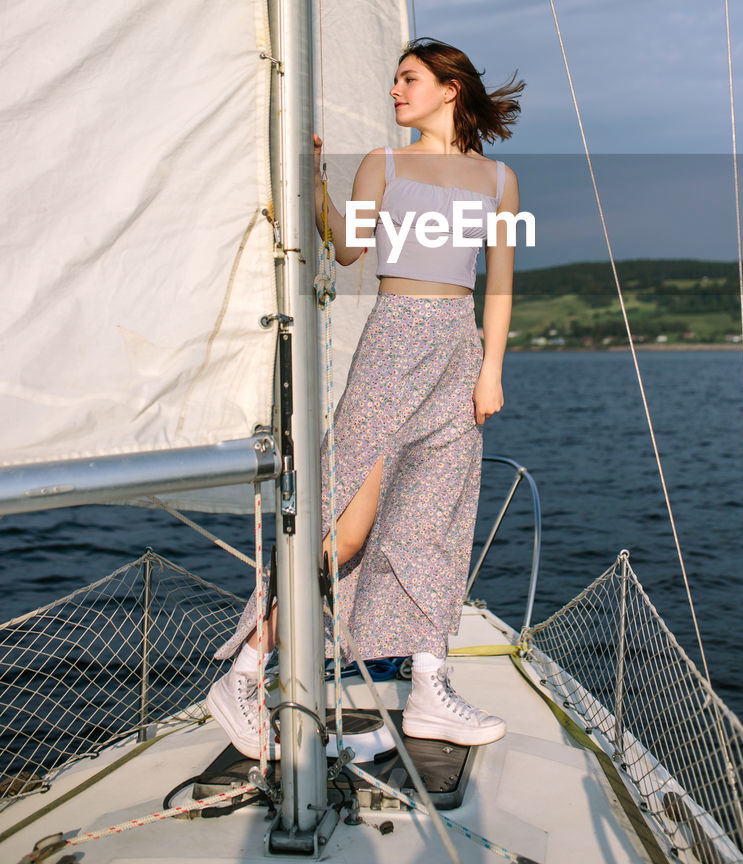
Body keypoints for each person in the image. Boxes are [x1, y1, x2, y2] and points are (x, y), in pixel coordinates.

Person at [207, 38, 523, 757]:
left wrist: (490, 370)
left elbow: (498, 282)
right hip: (393, 342)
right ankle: (249, 669)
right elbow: (346, 247)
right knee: (346, 528)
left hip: (457, 351)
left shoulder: (499, 179)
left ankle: (429, 691)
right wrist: (317, 182)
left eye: (407, 79)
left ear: (450, 88)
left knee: (436, 525)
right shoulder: (385, 164)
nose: (393, 90)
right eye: (393, 80)